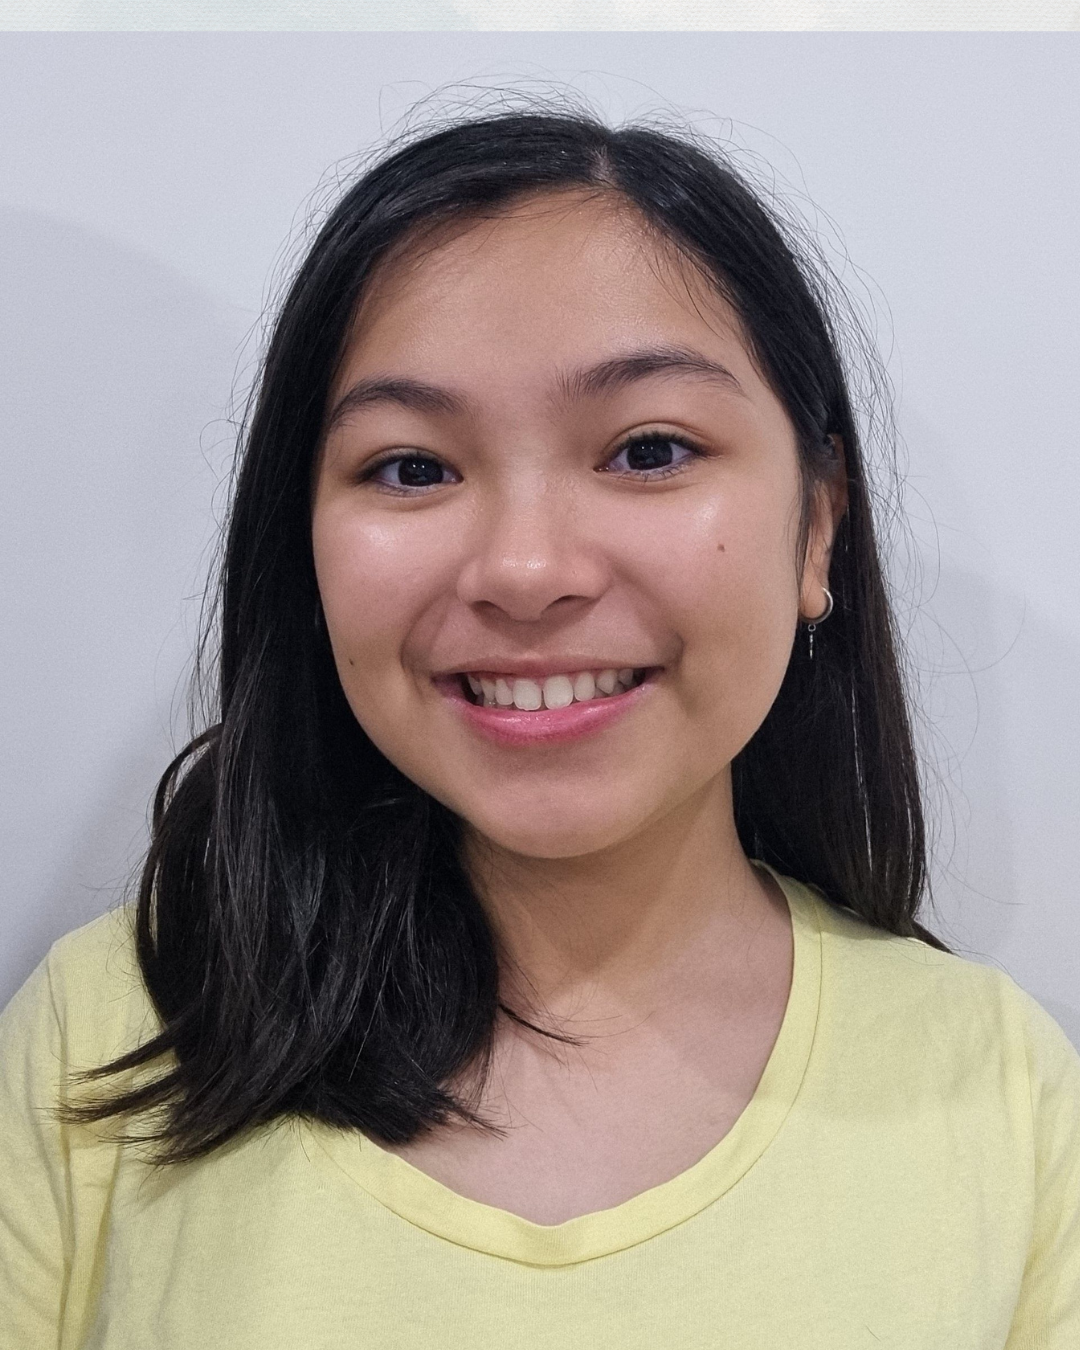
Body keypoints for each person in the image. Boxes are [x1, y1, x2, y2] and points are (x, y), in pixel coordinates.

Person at [1, 101, 1078, 1349]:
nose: (523, 569)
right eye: (412, 467)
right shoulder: (116, 1037)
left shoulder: (1003, 1099)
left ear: (819, 526)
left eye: (650, 449)